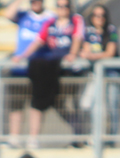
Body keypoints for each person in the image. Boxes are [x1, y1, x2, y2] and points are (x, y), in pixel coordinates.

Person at [14, 0, 82, 148]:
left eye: (65, 6)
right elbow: (38, 41)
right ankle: (34, 138)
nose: (62, 9)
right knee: (46, 101)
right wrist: (22, 56)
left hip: (67, 71)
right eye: (59, 6)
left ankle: (81, 133)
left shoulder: (75, 21)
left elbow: (77, 38)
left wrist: (73, 54)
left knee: (65, 104)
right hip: (50, 70)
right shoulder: (51, 23)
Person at [4, 0, 54, 145]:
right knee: (16, 104)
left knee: (36, 104)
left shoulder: (50, 17)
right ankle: (14, 137)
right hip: (20, 69)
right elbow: (8, 14)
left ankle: (33, 138)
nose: (35, 3)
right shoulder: (24, 15)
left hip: (40, 68)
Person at [81, 4, 120, 137]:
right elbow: (85, 50)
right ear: (92, 17)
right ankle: (94, 135)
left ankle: (112, 139)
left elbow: (110, 52)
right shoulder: (88, 31)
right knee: (88, 104)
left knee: (112, 106)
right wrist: (94, 55)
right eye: (96, 15)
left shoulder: (112, 30)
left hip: (113, 73)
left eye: (102, 15)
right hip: (96, 74)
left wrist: (93, 56)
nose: (100, 18)